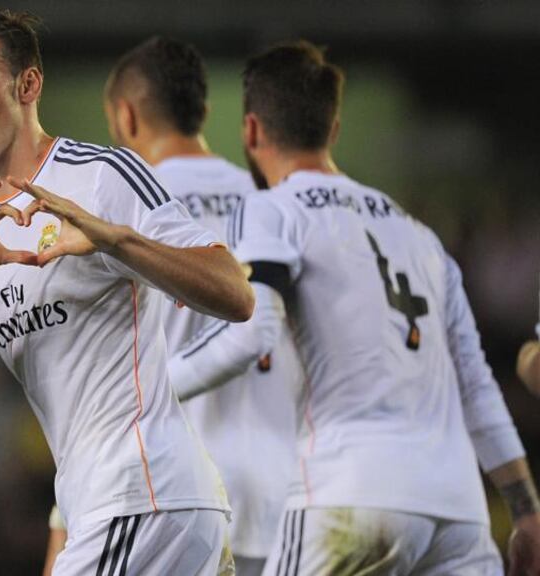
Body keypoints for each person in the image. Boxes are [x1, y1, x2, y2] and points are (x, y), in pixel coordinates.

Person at [0, 8, 254, 576]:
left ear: (27, 85)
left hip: (144, 495)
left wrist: (113, 241)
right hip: (103, 503)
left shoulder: (101, 176)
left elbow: (234, 293)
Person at [230, 41, 540, 575]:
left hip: (350, 490)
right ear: (333, 130)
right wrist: (526, 509)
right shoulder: (422, 237)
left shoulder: (270, 211)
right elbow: (476, 384)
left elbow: (254, 324)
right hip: (457, 511)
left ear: (252, 131)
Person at [104, 36, 303, 576]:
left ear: (124, 116)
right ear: (204, 113)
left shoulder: (120, 212)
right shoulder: (272, 202)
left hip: (173, 496)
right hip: (284, 492)